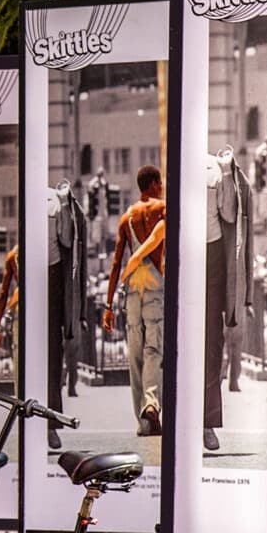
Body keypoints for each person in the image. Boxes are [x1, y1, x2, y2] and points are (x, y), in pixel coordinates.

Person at [102, 166, 168, 436]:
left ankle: (142, 422)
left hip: (131, 288)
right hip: (154, 284)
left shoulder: (126, 218)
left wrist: (108, 305)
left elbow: (116, 262)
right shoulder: (162, 209)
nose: (162, 187)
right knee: (155, 348)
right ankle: (151, 404)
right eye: (160, 183)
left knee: (135, 352)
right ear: (152, 185)